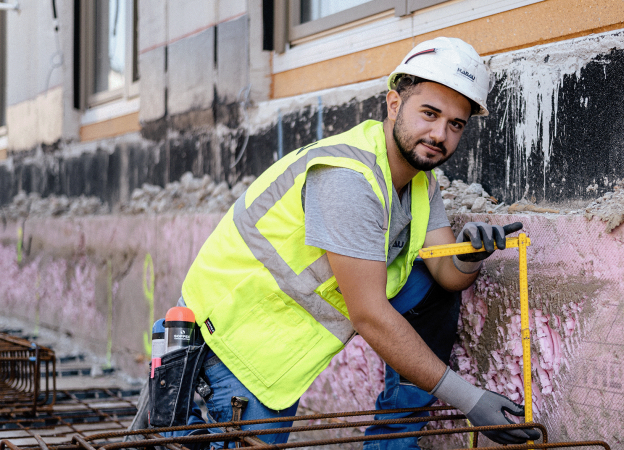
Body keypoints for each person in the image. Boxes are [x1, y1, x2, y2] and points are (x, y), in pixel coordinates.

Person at [178, 36, 540, 448]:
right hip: (230, 344)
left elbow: (444, 274)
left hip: (274, 345)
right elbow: (369, 315)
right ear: (393, 105)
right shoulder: (348, 177)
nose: (440, 134)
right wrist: (471, 401)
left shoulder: (420, 181)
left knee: (426, 283)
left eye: (455, 124)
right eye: (429, 113)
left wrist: (470, 254)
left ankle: (393, 442)